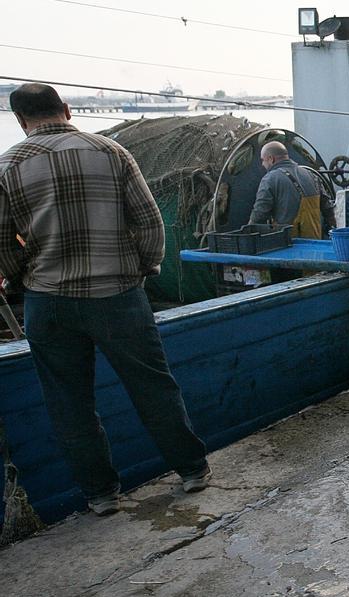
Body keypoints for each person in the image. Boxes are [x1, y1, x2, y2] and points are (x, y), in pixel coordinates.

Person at [0, 83, 211, 516]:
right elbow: (151, 223)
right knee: (153, 387)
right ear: (67, 109)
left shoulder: (6, 167)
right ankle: (191, 472)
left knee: (69, 402)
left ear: (21, 121)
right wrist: (143, 271)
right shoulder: (111, 151)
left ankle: (101, 496)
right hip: (118, 295)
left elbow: (3, 243)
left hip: (48, 301)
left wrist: (24, 275)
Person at [248, 140, 334, 239]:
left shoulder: (270, 179)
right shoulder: (311, 175)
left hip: (288, 245)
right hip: (315, 246)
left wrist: (249, 232)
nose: (263, 164)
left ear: (271, 159)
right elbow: (328, 208)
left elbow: (260, 213)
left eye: (263, 160)